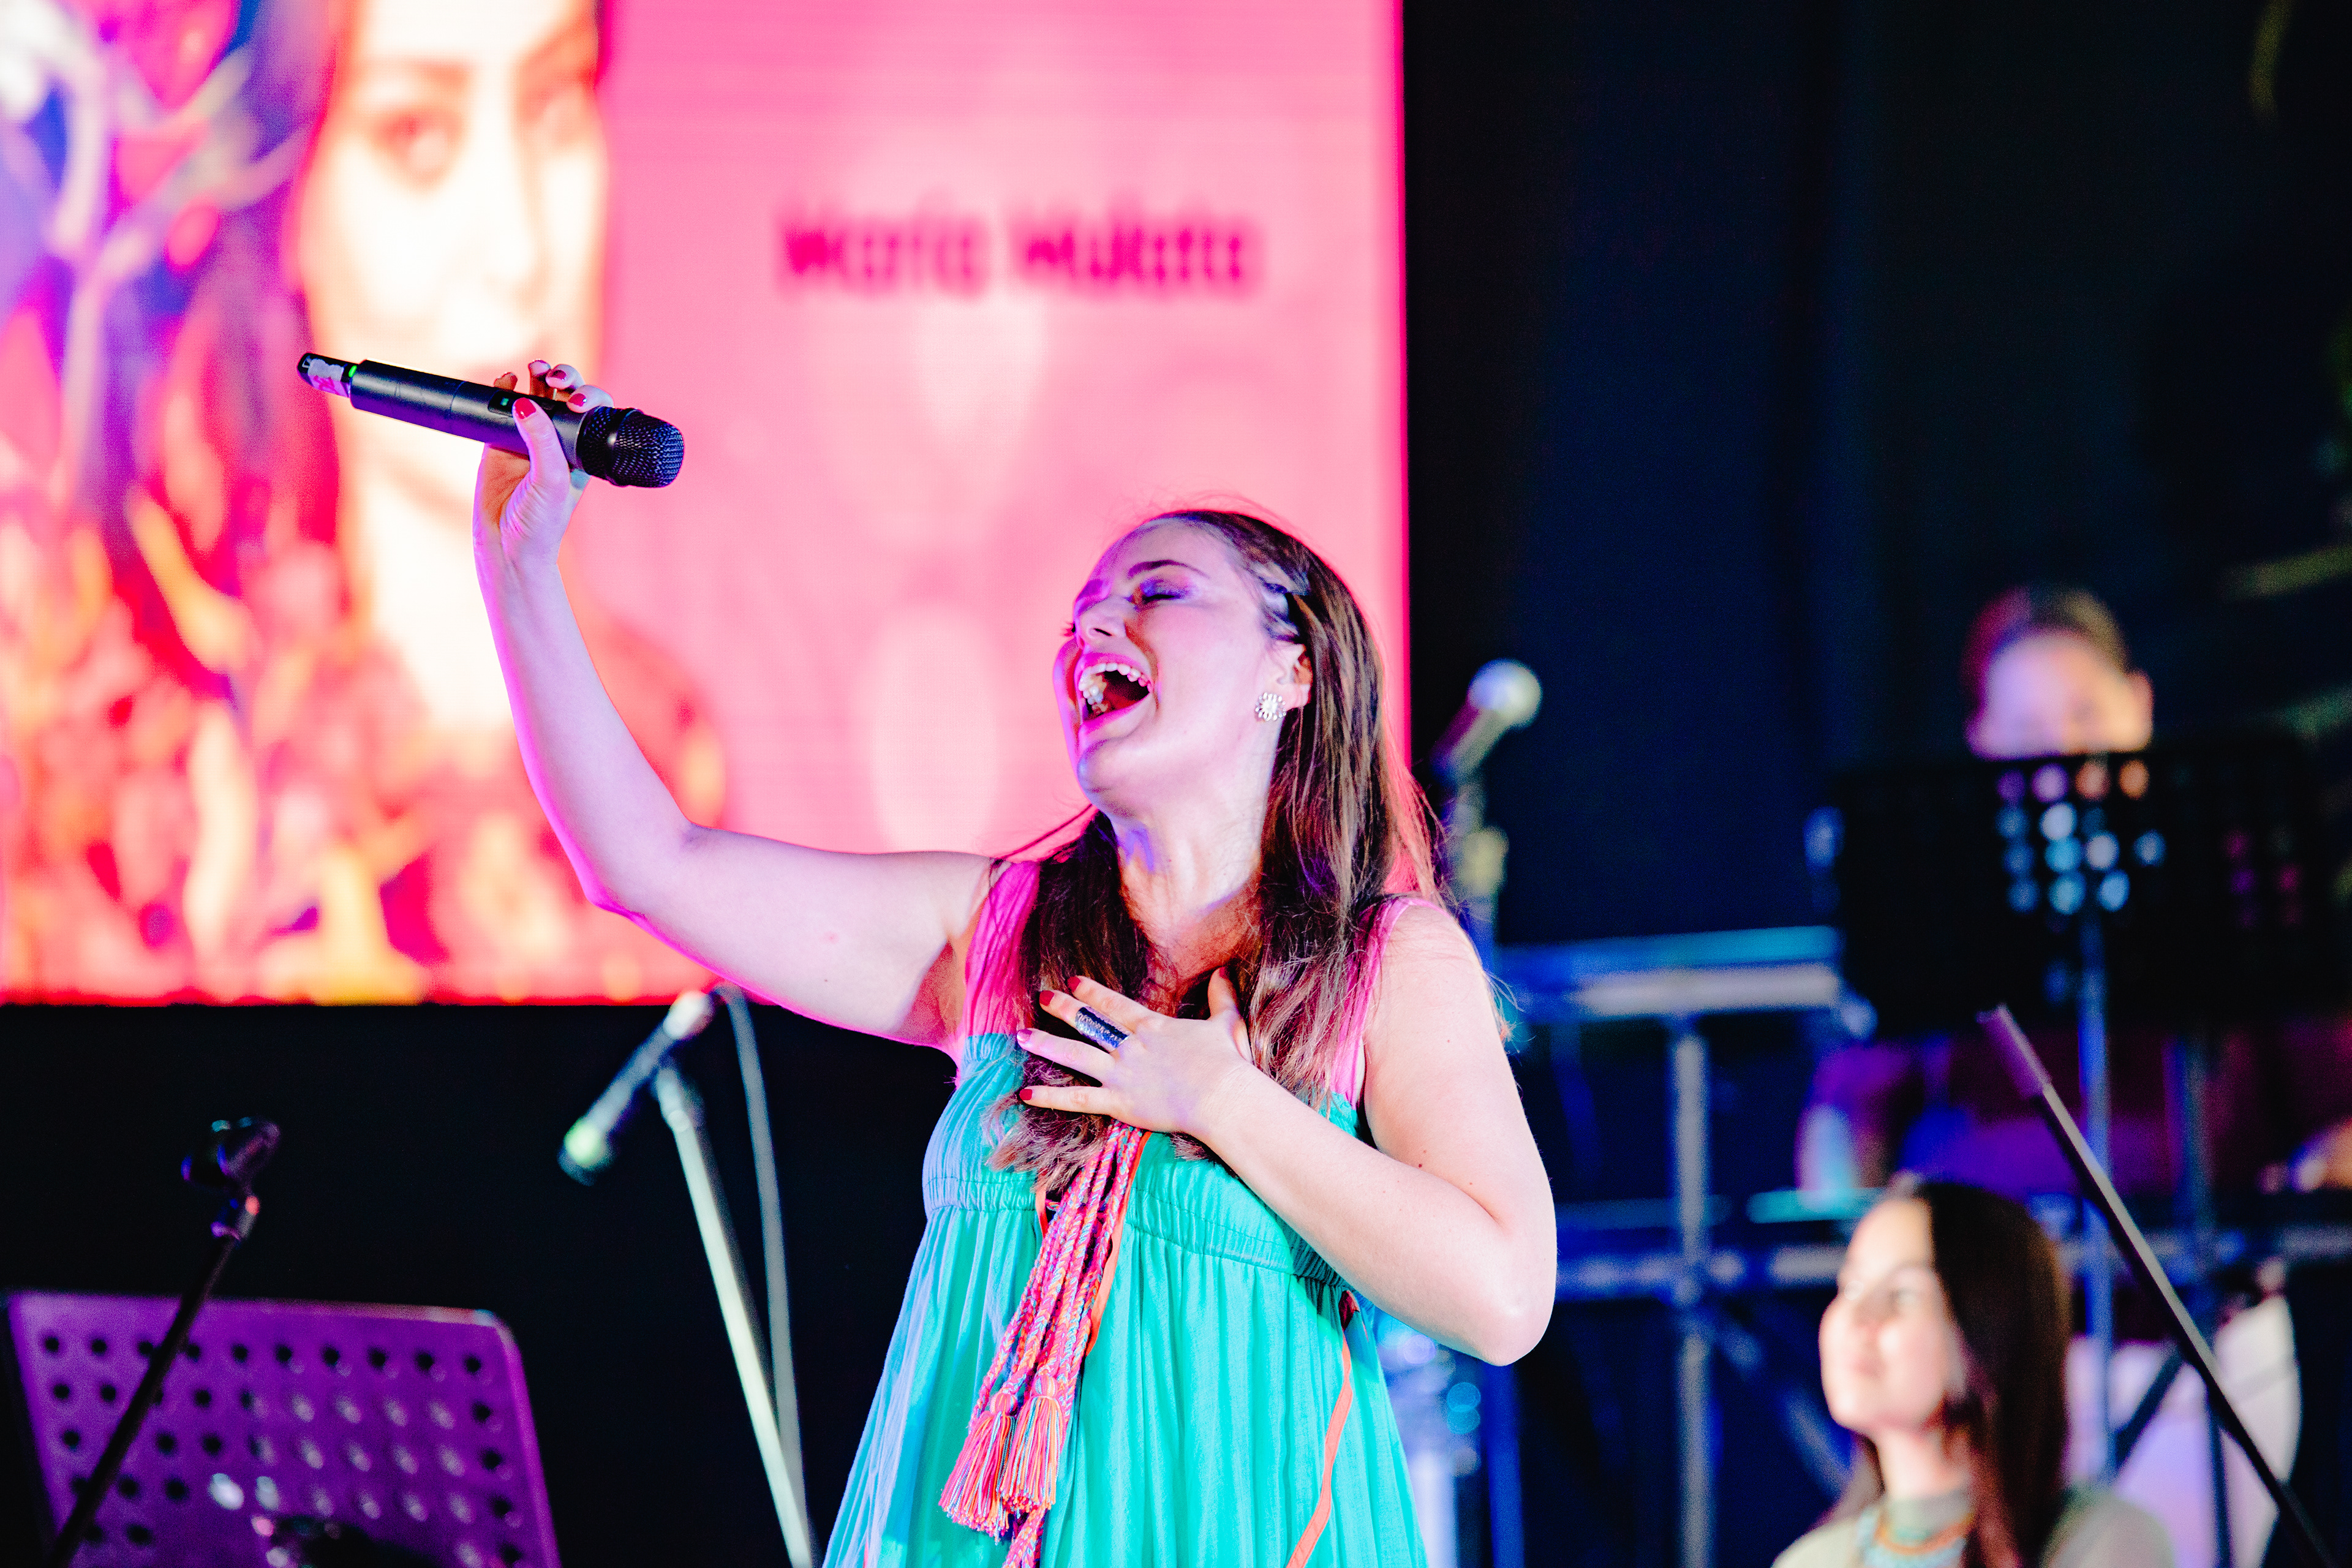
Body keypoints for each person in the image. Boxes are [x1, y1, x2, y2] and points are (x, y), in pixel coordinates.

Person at [472, 361, 1558, 1563]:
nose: (1094, 628)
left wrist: (1228, 1101)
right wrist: (519, 566)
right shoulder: (992, 930)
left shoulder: (1383, 962)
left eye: (1159, 591)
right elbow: (648, 863)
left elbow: (1503, 1296)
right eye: (1080, 614)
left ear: (1291, 667)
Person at [0, 0, 717, 1000]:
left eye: (555, 103)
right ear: (295, 193)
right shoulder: (142, 767)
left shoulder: (666, 747)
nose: (518, 251)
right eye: (415, 133)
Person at [1799, 584, 2352, 1199]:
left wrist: (2311, 1191)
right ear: (1983, 740)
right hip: (1986, 1247)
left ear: (2139, 704)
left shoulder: (2235, 881)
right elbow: (1847, 1119)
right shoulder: (1933, 908)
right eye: (2027, 729)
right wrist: (1857, 1234)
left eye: (2086, 715)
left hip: (2203, 1244)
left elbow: (2340, 1106)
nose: (2063, 751)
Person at [1776, 1177, 2173, 1568]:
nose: (1858, 1317)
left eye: (1903, 1295)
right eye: (1851, 1286)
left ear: (1991, 1328)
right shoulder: (1811, 1561)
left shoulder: (2102, 1539)